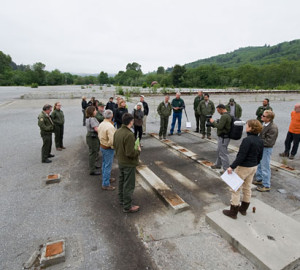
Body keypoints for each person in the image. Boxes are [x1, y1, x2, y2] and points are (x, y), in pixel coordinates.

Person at [223, 120, 264, 219]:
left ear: (251, 128)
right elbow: (260, 156)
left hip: (244, 167)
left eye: (247, 125)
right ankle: (243, 209)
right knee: (247, 187)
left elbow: (241, 156)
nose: (246, 127)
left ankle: (233, 212)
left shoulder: (247, 140)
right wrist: (255, 163)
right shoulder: (260, 140)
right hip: (253, 166)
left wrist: (231, 167)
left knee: (235, 188)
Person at [113, 113, 141, 213]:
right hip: (128, 163)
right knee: (128, 185)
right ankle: (127, 206)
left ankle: (122, 200)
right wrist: (138, 150)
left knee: (121, 181)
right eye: (132, 121)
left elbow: (115, 145)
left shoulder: (117, 131)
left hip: (120, 161)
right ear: (130, 122)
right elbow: (130, 153)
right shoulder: (129, 135)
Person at [253, 110, 278, 192]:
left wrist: (257, 141)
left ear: (269, 118)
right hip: (261, 147)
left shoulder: (273, 128)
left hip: (266, 149)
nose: (261, 117)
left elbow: (269, 142)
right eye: (262, 115)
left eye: (263, 116)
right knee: (259, 164)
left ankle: (266, 185)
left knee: (265, 166)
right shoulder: (264, 124)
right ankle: (259, 179)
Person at [209, 104, 232, 171]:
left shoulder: (224, 116)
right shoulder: (228, 115)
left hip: (223, 137)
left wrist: (213, 122)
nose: (218, 112)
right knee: (219, 151)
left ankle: (226, 169)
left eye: (218, 110)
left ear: (221, 109)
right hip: (224, 137)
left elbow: (219, 127)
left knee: (223, 153)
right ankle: (218, 164)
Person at [98, 110, 116, 191]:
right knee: (108, 165)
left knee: (105, 164)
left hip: (102, 146)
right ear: (111, 116)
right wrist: (113, 146)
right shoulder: (110, 126)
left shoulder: (101, 124)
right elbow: (112, 141)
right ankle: (105, 184)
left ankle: (106, 178)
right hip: (108, 148)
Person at [86, 106, 100, 175]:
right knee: (93, 152)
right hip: (92, 136)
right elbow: (96, 129)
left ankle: (93, 165)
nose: (96, 111)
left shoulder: (91, 118)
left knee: (95, 151)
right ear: (92, 111)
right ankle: (92, 170)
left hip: (92, 136)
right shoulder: (92, 119)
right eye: (95, 110)